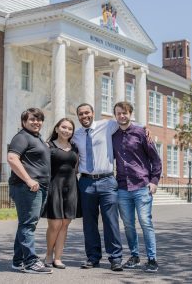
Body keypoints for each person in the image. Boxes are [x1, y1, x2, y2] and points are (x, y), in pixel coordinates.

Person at [72, 103, 123, 272]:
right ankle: (93, 257)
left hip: (107, 181)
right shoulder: (76, 134)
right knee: (89, 223)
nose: (84, 116)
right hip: (86, 182)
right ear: (78, 116)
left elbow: (126, 122)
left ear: (93, 113)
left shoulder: (107, 125)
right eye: (81, 114)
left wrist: (144, 129)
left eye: (87, 113)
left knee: (111, 221)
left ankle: (115, 258)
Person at [112, 101, 162, 273]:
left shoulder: (141, 133)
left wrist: (154, 181)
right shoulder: (114, 136)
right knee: (128, 225)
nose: (121, 116)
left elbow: (155, 159)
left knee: (145, 223)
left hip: (142, 185)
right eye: (118, 113)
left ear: (131, 114)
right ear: (115, 115)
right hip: (122, 187)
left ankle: (152, 259)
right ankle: (134, 256)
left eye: (124, 113)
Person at [7, 108, 52, 274]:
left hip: (39, 187)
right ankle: (31, 261)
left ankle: (18, 261)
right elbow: (12, 158)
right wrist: (28, 179)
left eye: (39, 119)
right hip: (27, 187)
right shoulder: (21, 137)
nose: (36, 122)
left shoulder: (36, 138)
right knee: (28, 225)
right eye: (32, 119)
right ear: (23, 122)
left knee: (26, 224)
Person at [43, 118, 79, 269]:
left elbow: (76, 167)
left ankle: (58, 258)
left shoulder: (75, 147)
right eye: (63, 127)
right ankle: (48, 255)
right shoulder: (48, 146)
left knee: (65, 224)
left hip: (71, 187)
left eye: (70, 129)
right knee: (55, 223)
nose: (66, 130)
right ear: (57, 129)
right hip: (54, 186)